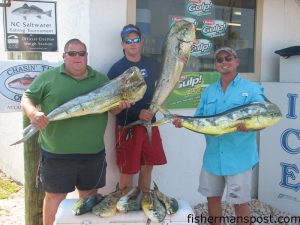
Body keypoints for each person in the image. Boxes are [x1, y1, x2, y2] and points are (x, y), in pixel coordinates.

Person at [20, 38, 131, 225]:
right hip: (57, 154)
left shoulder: (101, 80)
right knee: (54, 196)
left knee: (88, 198)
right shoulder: (49, 77)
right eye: (72, 53)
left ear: (86, 56)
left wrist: (121, 106)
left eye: (81, 53)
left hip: (92, 154)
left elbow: (113, 110)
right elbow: (26, 98)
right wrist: (33, 113)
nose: (77, 57)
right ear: (64, 56)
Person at [173, 47, 264, 225]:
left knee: (240, 203)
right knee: (212, 199)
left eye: (228, 58)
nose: (224, 62)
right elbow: (199, 119)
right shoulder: (209, 92)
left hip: (240, 158)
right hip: (213, 157)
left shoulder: (252, 89)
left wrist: (251, 126)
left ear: (237, 61)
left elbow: (263, 115)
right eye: (220, 60)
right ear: (216, 65)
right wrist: (183, 122)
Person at [107, 24, 167, 194]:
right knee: (128, 170)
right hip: (128, 126)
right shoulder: (116, 69)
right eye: (128, 40)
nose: (133, 43)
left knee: (147, 167)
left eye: (136, 39)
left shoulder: (153, 64)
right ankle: (125, 210)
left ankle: (143, 204)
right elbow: (112, 107)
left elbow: (161, 87)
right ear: (123, 44)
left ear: (141, 42)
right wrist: (136, 112)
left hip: (150, 124)